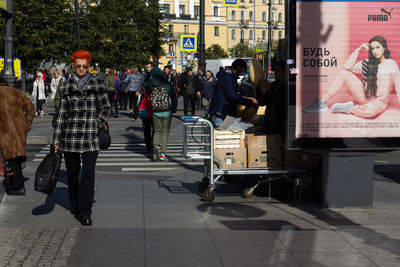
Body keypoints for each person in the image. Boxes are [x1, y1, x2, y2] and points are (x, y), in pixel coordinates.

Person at [52, 50, 110, 226]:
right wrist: (55, 141)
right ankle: (74, 201)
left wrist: (97, 122)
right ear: (72, 66)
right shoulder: (65, 86)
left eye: (85, 66)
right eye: (78, 66)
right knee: (72, 173)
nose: (81, 69)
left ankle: (85, 211)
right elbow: (61, 115)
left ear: (89, 66)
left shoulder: (97, 84)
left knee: (88, 174)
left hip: (91, 137)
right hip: (70, 137)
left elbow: (106, 108)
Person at [303, 36, 400, 118]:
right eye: (372, 48)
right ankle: (322, 102)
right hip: (364, 97)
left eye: (378, 47)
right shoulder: (366, 63)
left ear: (384, 48)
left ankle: (349, 108)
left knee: (370, 112)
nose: (375, 51)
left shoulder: (391, 64)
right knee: (344, 73)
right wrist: (358, 50)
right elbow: (346, 68)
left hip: (379, 103)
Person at [0, 77, 35, 195]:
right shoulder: (17, 92)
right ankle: (17, 185)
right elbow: (31, 108)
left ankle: (17, 186)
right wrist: (27, 123)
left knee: (10, 158)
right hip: (19, 129)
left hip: (4, 131)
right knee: (16, 157)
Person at [208, 58, 258, 128]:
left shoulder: (230, 77)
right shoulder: (227, 77)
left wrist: (249, 99)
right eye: (242, 70)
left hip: (224, 112)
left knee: (225, 134)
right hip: (220, 113)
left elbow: (233, 94)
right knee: (222, 135)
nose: (242, 73)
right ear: (238, 68)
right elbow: (232, 96)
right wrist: (250, 102)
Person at [149, 68, 177, 161]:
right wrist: (173, 109)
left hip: (155, 111)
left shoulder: (151, 85)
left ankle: (156, 145)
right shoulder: (167, 85)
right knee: (165, 132)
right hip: (167, 111)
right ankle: (162, 154)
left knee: (157, 131)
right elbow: (174, 98)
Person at [256, 61, 287, 135]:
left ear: (285, 72)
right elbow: (262, 102)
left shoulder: (288, 86)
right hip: (270, 124)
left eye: (278, 70)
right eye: (274, 70)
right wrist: (257, 88)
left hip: (282, 126)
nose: (275, 73)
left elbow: (282, 101)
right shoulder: (274, 85)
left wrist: (269, 89)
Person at [142, 62, 156, 153]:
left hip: (154, 104)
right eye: (146, 67)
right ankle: (149, 144)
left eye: (149, 67)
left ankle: (153, 143)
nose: (147, 68)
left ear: (153, 67)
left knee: (155, 126)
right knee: (147, 127)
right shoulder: (144, 76)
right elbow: (142, 88)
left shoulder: (156, 77)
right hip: (147, 103)